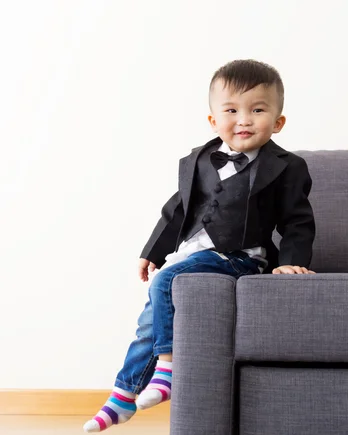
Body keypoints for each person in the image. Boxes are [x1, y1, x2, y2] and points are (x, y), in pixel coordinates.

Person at [83, 59, 316, 432]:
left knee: (165, 283)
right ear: (212, 120)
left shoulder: (287, 167)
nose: (243, 120)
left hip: (242, 256)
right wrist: (152, 251)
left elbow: (297, 221)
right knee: (149, 321)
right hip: (195, 252)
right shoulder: (197, 160)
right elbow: (177, 210)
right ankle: (122, 396)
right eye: (231, 110)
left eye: (257, 110)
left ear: (278, 122)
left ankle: (168, 370)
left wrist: (290, 261)